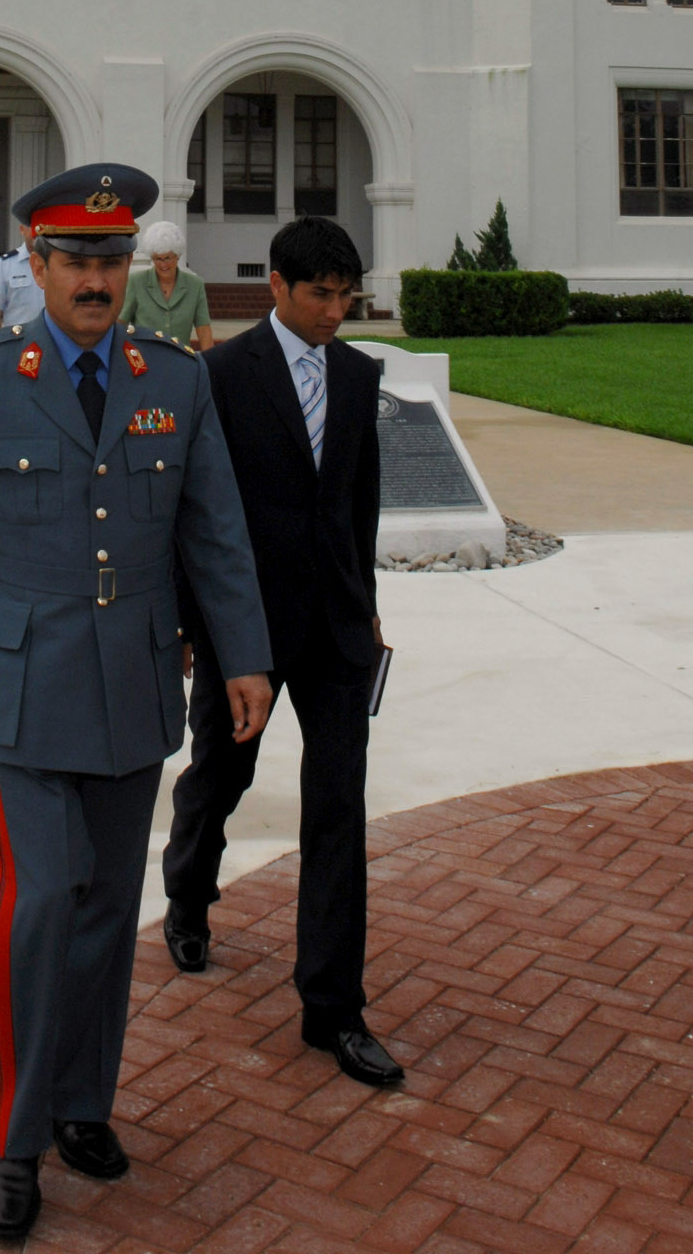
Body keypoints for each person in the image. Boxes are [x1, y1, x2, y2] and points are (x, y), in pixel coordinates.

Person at [0, 165, 273, 1243]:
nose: (98, 279)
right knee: (34, 906)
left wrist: (242, 652)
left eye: (113, 261)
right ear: (36, 266)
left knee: (109, 909)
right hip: (15, 683)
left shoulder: (174, 379)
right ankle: (12, 1142)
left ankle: (79, 1106)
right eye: (77, 261)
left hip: (134, 681)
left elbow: (214, 528)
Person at [161, 214, 403, 1090]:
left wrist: (367, 610)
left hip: (337, 631)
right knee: (222, 776)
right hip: (247, 632)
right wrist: (199, 629)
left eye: (347, 295)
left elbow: (357, 505)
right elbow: (194, 515)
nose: (337, 311)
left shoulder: (357, 372)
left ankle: (333, 1007)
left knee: (339, 806)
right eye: (320, 295)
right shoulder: (219, 377)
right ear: (276, 286)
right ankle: (188, 892)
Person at [119, 219, 212, 350]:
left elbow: (204, 329)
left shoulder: (195, 285)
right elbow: (120, 324)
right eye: (158, 259)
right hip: (144, 362)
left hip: (180, 360)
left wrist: (209, 364)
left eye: (168, 258)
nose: (163, 264)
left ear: (178, 256)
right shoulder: (136, 282)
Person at [0, 221, 45, 334]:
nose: (36, 230)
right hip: (18, 341)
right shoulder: (6, 264)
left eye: (40, 224)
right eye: (31, 225)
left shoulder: (59, 262)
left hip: (52, 343)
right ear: (22, 230)